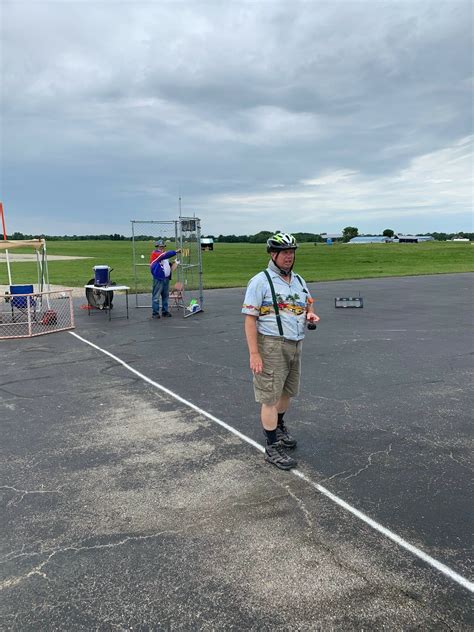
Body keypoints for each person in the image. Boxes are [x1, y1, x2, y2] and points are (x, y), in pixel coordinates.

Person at [242, 232, 320, 470]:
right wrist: (254, 353)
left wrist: (309, 313)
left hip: (296, 342)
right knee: (269, 397)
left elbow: (308, 301)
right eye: (285, 252)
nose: (289, 257)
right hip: (272, 344)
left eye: (292, 252)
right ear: (273, 254)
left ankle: (279, 426)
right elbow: (249, 319)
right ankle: (271, 445)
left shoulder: (297, 280)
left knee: (287, 392)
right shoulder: (260, 281)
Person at [150, 240, 180, 319]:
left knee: (165, 296)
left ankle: (165, 311)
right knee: (156, 297)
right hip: (159, 278)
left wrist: (175, 263)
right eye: (160, 246)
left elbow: (168, 266)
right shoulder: (155, 253)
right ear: (157, 247)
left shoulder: (163, 255)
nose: (162, 248)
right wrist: (175, 252)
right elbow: (164, 256)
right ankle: (155, 313)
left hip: (166, 278)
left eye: (163, 246)